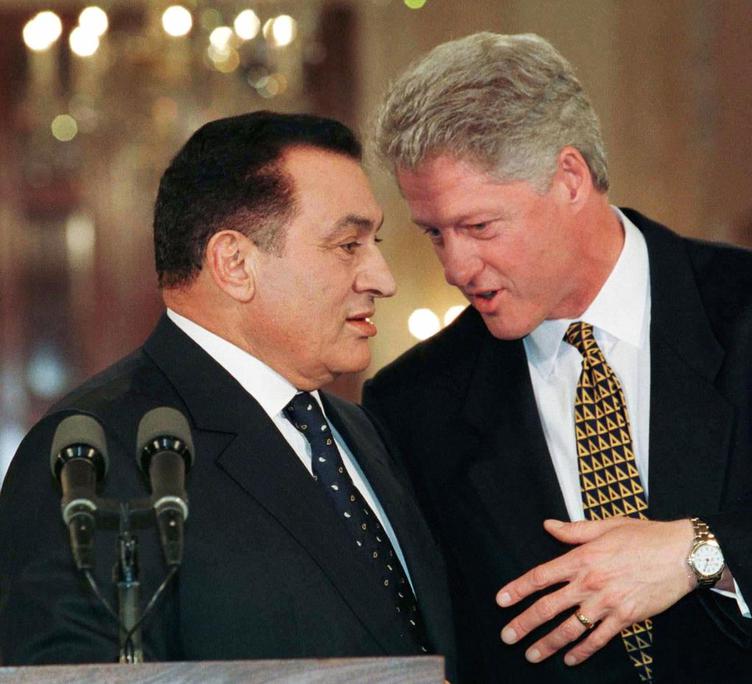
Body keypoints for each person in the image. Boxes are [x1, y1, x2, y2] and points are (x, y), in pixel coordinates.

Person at [361, 32, 752, 683]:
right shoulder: (412, 402)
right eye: (434, 234)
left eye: (479, 227)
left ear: (570, 179)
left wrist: (697, 554)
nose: (456, 267)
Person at [0, 111, 456, 677]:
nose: (382, 278)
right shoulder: (95, 455)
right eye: (347, 245)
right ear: (235, 264)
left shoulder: (361, 430)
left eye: (375, 242)